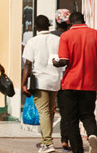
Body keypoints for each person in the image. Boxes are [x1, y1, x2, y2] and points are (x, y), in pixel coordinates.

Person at [53, 12, 97, 153]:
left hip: (70, 84)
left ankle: (78, 150)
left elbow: (65, 60)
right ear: (84, 20)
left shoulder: (66, 36)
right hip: (90, 84)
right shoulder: (95, 34)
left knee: (70, 121)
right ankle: (92, 135)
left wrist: (56, 62)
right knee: (88, 115)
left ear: (70, 22)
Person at [22, 15, 62, 153]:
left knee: (44, 112)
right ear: (49, 26)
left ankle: (47, 143)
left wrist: (23, 84)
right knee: (50, 111)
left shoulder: (32, 42)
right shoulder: (58, 40)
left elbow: (27, 64)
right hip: (55, 80)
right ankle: (47, 140)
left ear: (36, 27)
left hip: (40, 81)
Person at [51, 9, 71, 151]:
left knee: (49, 110)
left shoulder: (51, 36)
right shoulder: (71, 36)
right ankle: (65, 140)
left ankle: (47, 139)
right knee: (65, 112)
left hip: (52, 77)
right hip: (67, 79)